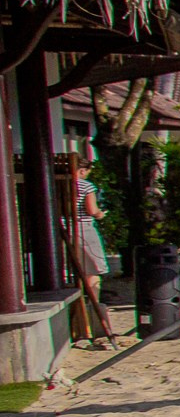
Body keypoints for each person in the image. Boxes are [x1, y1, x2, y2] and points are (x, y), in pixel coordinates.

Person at [63, 147, 122, 347]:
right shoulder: (85, 186)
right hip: (83, 228)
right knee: (93, 271)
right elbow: (91, 209)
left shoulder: (61, 186)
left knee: (74, 272)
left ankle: (80, 318)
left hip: (64, 227)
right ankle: (91, 315)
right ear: (82, 170)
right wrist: (100, 214)